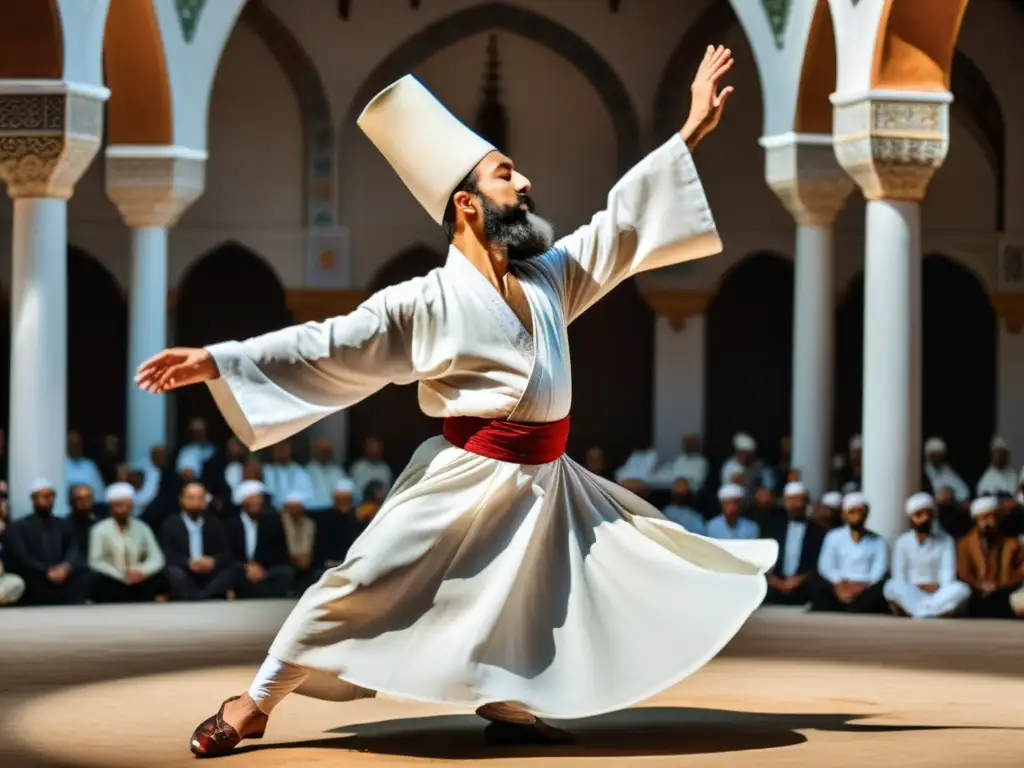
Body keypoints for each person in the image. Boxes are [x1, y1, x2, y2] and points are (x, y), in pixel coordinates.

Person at [136, 48, 775, 757]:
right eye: (507, 173)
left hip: (547, 480)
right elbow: (331, 342)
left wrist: (691, 131)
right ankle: (255, 702)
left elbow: (619, 227)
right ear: (466, 203)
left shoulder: (548, 278)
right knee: (360, 583)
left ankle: (505, 698)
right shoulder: (426, 301)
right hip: (465, 478)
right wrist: (220, 359)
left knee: (539, 595)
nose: (526, 183)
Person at [882, 492, 970, 618]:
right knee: (890, 586)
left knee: (962, 589)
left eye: (928, 514)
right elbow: (900, 576)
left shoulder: (946, 540)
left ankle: (919, 611)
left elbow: (948, 574)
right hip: (912, 591)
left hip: (938, 592)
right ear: (911, 517)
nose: (924, 519)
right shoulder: (902, 542)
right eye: (919, 515)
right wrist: (919, 586)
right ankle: (933, 611)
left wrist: (936, 587)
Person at [808, 492, 888, 613]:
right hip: (839, 585)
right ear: (844, 515)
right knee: (813, 583)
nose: (857, 516)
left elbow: (879, 569)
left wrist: (861, 586)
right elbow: (825, 566)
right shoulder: (833, 537)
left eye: (860, 512)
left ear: (866, 514)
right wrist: (839, 584)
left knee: (883, 588)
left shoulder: (878, 541)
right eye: (852, 512)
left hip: (865, 587)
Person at [87, 482, 168, 603]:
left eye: (127, 505)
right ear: (111, 506)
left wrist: (142, 571)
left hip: (139, 578)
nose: (124, 509)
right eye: (119, 505)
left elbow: (156, 558)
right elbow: (95, 561)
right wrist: (121, 574)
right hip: (112, 579)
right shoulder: (99, 530)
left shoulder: (142, 528)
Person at [957, 496, 1024, 618]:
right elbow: (963, 572)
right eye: (985, 518)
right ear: (976, 520)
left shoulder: (1012, 544)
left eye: (994, 517)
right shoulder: (964, 545)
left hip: (1004, 593)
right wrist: (980, 585)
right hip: (976, 594)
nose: (990, 522)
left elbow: (1021, 570)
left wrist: (1000, 585)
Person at [763, 482, 823, 605]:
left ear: (806, 502)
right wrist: (776, 581)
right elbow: (763, 558)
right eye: (791, 500)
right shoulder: (772, 528)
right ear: (785, 502)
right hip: (775, 584)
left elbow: (819, 563)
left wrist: (799, 580)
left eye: (799, 500)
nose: (796, 505)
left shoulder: (817, 531)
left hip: (803, 586)